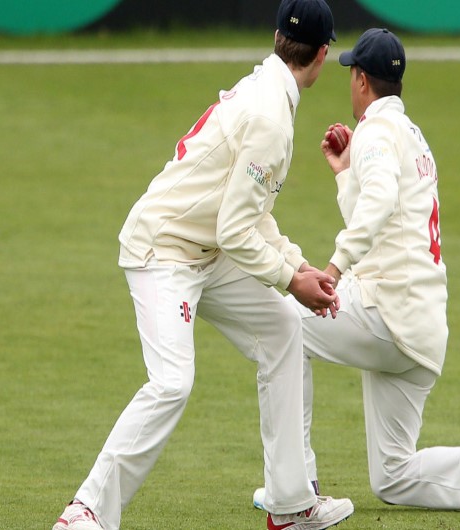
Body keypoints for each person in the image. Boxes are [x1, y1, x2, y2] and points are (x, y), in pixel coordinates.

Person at [52, 1, 356, 529]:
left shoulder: (266, 91)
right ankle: (86, 512)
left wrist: (298, 266)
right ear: (324, 54)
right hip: (163, 250)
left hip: (207, 251)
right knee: (172, 383)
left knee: (284, 328)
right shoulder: (270, 116)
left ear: (278, 39)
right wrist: (291, 280)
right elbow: (235, 230)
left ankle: (289, 504)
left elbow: (246, 215)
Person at [254, 28, 460, 514]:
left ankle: (295, 485)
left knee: (283, 324)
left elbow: (380, 203)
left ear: (361, 80)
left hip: (389, 310)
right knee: (393, 477)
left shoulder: (377, 133)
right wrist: (345, 172)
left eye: (351, 75)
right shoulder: (410, 136)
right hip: (422, 329)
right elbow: (380, 214)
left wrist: (334, 268)